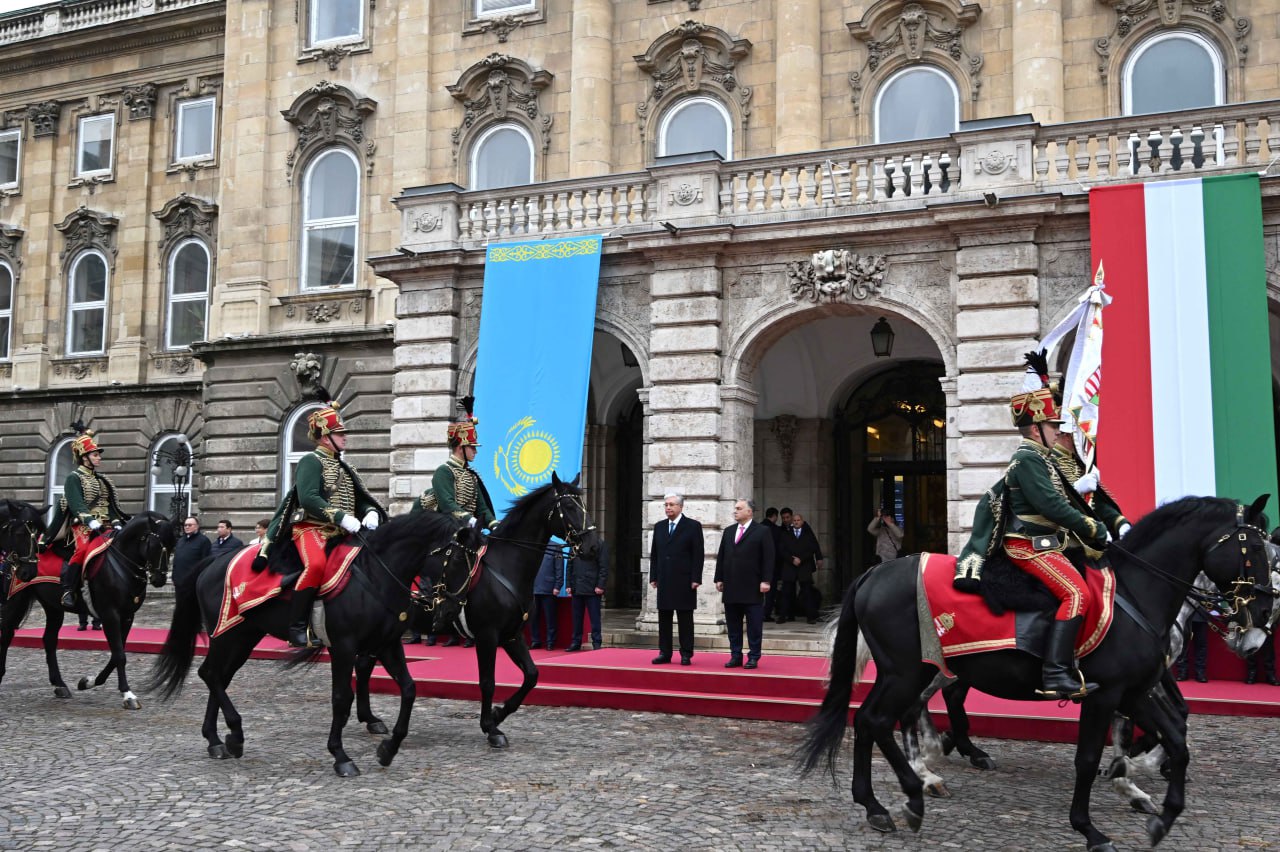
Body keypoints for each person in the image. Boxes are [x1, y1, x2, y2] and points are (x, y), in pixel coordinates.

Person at [955, 352, 1109, 700]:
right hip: (1028, 545)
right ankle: (1055, 673)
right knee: (1076, 594)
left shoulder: (1040, 458)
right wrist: (1091, 528)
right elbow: (1050, 506)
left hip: (1049, 543)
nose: (1059, 433)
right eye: (1054, 427)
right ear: (1036, 428)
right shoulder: (1026, 459)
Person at [260, 400, 385, 648]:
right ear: (326, 437)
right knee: (315, 565)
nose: (345, 438)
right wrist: (341, 517)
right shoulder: (311, 461)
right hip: (312, 528)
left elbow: (361, 501)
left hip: (344, 532)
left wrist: (370, 511)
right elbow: (308, 498)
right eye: (340, 434)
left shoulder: (346, 467)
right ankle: (297, 626)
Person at [44, 426, 129, 610]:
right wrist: (90, 520)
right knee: (81, 551)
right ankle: (68, 590)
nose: (99, 458)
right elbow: (76, 503)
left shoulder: (103, 480)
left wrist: (116, 522)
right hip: (83, 526)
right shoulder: (74, 478)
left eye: (98, 455)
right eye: (95, 455)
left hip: (106, 526)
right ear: (85, 457)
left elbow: (111, 505)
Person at [415, 396, 498, 532]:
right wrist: (469, 519)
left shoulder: (472, 475)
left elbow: (482, 507)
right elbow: (447, 504)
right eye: (472, 447)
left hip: (467, 531)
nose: (476, 452)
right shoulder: (444, 471)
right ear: (461, 448)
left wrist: (494, 524)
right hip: (444, 530)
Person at [714, 498, 774, 670]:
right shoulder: (729, 531)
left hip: (753, 587)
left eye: (739, 508)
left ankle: (754, 656)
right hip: (731, 586)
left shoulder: (762, 531)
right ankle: (735, 655)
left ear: (750, 511)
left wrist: (766, 580)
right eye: (735, 508)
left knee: (754, 625)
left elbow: (768, 558)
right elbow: (722, 556)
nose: (735, 511)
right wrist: (719, 578)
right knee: (733, 624)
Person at [650, 493, 704, 665]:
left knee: (685, 619)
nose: (668, 508)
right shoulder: (659, 527)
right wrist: (653, 576)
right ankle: (665, 652)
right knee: (664, 618)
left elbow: (698, 554)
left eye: (672, 505)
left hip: (685, 580)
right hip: (664, 579)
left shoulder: (693, 526)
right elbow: (655, 554)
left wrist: (696, 578)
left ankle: (686, 653)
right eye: (666, 505)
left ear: (680, 507)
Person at [565, 540, 608, 651]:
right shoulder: (575, 544)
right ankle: (576, 642)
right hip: (576, 587)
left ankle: (597, 642)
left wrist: (600, 585)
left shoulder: (599, 544)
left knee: (595, 618)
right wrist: (568, 584)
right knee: (576, 618)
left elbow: (604, 566)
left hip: (593, 588)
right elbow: (569, 565)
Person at [782, 512, 823, 623]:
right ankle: (785, 616)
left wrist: (801, 559)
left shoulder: (807, 533)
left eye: (798, 520)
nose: (796, 522)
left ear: (802, 522)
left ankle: (811, 617)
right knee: (787, 592)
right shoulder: (786, 533)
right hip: (790, 566)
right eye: (794, 521)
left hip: (804, 566)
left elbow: (812, 548)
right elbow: (782, 550)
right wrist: (792, 559)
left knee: (807, 592)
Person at [530, 541, 566, 650]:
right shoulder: (533, 545)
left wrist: (558, 585)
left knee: (550, 618)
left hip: (549, 589)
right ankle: (535, 640)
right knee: (533, 617)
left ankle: (551, 641)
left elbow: (559, 568)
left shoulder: (556, 547)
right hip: (533, 588)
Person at [171, 516, 212, 595]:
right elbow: (176, 560)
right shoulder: (181, 540)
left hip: (193, 582)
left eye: (190, 525)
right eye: (185, 525)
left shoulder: (203, 541)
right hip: (179, 581)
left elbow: (206, 562)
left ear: (197, 526)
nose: (187, 527)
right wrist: (174, 577)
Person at [760, 507, 782, 622]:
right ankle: (766, 613)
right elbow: (778, 549)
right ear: (774, 516)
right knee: (770, 591)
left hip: (759, 564)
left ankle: (759, 613)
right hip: (772, 565)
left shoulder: (758, 527)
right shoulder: (775, 530)